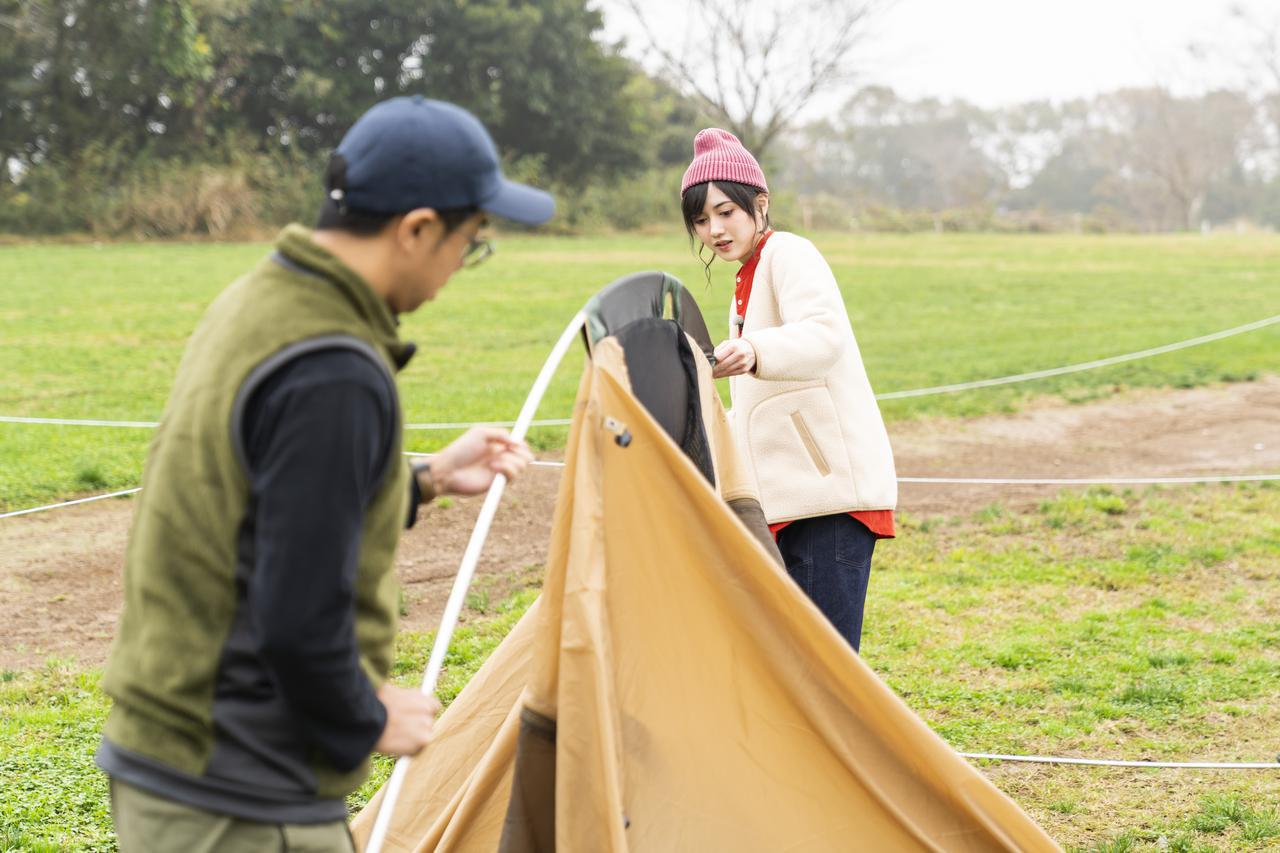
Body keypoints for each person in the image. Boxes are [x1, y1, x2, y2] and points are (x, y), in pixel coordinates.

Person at [95, 95, 552, 851]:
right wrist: (369, 714)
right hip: (238, 792)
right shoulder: (335, 368)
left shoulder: (260, 301)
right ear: (417, 230)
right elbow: (298, 612)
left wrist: (426, 477)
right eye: (470, 243)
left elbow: (259, 496)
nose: (458, 269)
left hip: (172, 763)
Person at [679, 128, 898, 652]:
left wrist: (754, 351)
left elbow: (824, 335)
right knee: (799, 659)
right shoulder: (746, 276)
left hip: (830, 499)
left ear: (760, 203)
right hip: (791, 498)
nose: (714, 229)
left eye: (726, 211)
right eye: (702, 219)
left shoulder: (790, 254)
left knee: (825, 664)